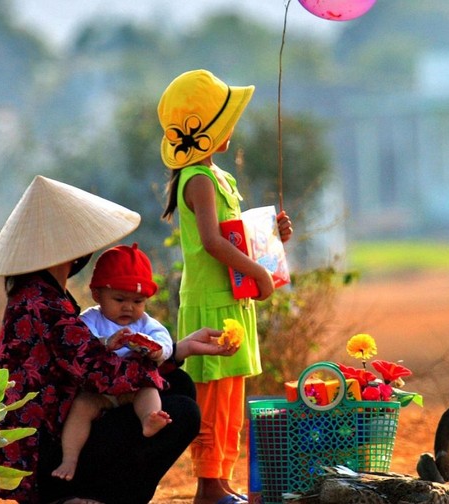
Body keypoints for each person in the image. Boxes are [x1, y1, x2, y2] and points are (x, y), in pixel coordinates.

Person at [0, 175, 238, 504]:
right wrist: (168, 355)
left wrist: (177, 351)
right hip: (45, 459)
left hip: (57, 436)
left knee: (179, 386)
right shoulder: (41, 305)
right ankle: (85, 496)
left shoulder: (41, 294)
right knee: (183, 410)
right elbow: (103, 374)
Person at [157, 69, 293, 504]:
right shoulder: (197, 179)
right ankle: (208, 487)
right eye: (227, 119)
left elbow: (234, 235)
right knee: (213, 400)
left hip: (233, 301)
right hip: (212, 305)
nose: (232, 127)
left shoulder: (220, 178)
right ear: (210, 129)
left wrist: (272, 237)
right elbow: (213, 242)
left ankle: (223, 481)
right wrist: (257, 272)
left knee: (232, 400)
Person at [51, 243, 175, 482]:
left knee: (149, 389)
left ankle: (149, 419)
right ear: (98, 295)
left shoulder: (145, 323)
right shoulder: (91, 318)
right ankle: (70, 458)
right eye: (119, 299)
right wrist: (106, 343)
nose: (129, 307)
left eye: (138, 302)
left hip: (133, 389)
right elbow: (81, 342)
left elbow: (164, 342)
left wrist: (156, 350)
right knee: (81, 406)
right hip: (100, 391)